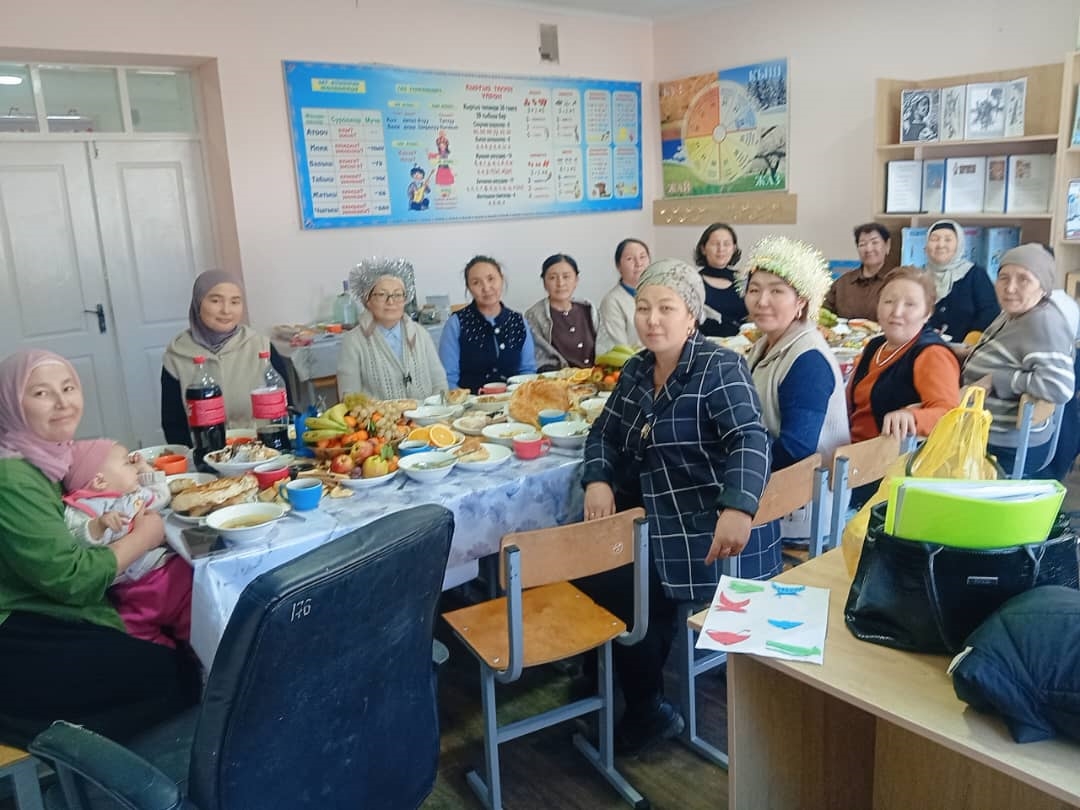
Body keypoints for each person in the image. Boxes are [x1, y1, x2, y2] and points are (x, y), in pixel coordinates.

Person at [580, 258, 771, 754]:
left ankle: (647, 710)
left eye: (667, 308)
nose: (652, 319)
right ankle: (601, 681)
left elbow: (750, 438)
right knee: (587, 569)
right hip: (644, 514)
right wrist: (597, 479)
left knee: (629, 593)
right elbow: (603, 432)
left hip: (697, 523)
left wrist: (739, 506)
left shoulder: (718, 367)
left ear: (692, 316)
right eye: (643, 307)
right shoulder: (638, 369)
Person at [0, 350, 199, 748]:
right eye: (41, 393)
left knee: (179, 643)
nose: (62, 402)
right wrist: (145, 537)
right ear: (10, 404)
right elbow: (70, 579)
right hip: (19, 631)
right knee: (172, 674)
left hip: (51, 607)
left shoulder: (48, 458)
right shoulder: (12, 477)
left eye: (68, 387)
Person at [739, 236, 850, 544]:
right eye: (754, 289)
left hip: (800, 514)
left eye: (776, 291)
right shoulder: (765, 344)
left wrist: (733, 466)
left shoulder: (807, 359)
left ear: (801, 300)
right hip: (771, 489)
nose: (762, 301)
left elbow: (795, 449)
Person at [61, 439, 192, 648]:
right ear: (99, 481)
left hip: (164, 570)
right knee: (131, 629)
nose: (133, 467)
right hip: (127, 589)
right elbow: (76, 538)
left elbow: (161, 496)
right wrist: (98, 525)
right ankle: (168, 657)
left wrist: (144, 470)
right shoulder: (82, 510)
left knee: (192, 603)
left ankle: (197, 651)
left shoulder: (131, 494)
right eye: (127, 464)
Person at [960, 244, 1075, 476]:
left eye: (1023, 280)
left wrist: (996, 380)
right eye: (1003, 277)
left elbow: (1060, 387)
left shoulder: (1041, 323)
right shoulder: (1016, 312)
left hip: (1005, 445)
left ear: (1042, 286)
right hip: (984, 432)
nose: (1010, 288)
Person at [161, 270, 291, 446]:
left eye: (235, 302)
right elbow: (174, 425)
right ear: (198, 303)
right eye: (215, 301)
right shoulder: (177, 355)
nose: (226, 310)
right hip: (206, 456)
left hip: (262, 452)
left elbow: (286, 409)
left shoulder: (261, 347)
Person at [848, 266, 961, 442]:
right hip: (850, 446)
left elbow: (950, 415)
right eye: (888, 302)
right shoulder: (875, 345)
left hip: (884, 459)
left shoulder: (931, 354)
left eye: (910, 304)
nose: (897, 312)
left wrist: (912, 417)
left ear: (927, 313)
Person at [337, 259, 448, 400]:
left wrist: (434, 413)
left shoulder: (420, 334)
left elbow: (439, 383)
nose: (391, 302)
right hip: (377, 421)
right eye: (382, 295)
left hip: (427, 419)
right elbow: (349, 398)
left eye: (397, 295)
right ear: (367, 301)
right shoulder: (353, 341)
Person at [438, 256, 537, 392]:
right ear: (469, 287)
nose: (486, 287)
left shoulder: (518, 321)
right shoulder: (456, 323)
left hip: (514, 402)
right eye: (476, 282)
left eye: (491, 279)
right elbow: (448, 378)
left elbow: (528, 371)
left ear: (501, 279)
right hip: (470, 406)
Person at [923, 220, 999, 341]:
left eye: (948, 240)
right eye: (934, 239)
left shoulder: (975, 275)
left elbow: (990, 313)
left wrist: (971, 341)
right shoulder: (918, 277)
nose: (941, 244)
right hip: (925, 347)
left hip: (969, 350)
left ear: (959, 245)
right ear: (926, 245)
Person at [523, 253, 598, 372]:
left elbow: (604, 347)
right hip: (558, 382)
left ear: (576, 280)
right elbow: (540, 357)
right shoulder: (534, 315)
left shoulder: (588, 308)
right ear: (544, 283)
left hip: (596, 379)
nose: (560, 283)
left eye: (566, 276)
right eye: (552, 278)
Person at [823, 223, 893, 320]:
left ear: (887, 245)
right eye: (862, 244)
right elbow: (824, 313)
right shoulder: (843, 283)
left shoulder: (896, 281)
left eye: (875, 242)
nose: (868, 249)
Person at [596, 238, 650, 355]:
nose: (638, 264)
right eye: (630, 259)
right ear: (618, 266)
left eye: (642, 257)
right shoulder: (612, 301)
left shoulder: (659, 293)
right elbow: (620, 349)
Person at [695, 222, 748, 338]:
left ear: (734, 248)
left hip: (743, 345)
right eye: (715, 244)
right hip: (706, 346)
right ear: (703, 249)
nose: (721, 249)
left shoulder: (743, 279)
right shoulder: (694, 281)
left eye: (726, 244)